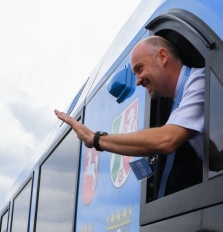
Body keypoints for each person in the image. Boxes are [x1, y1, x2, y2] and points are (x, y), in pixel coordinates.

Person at [54, 35, 205, 196]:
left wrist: (95, 139)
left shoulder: (200, 82)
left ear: (162, 57)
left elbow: (166, 140)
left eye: (140, 69)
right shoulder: (179, 102)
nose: (138, 81)